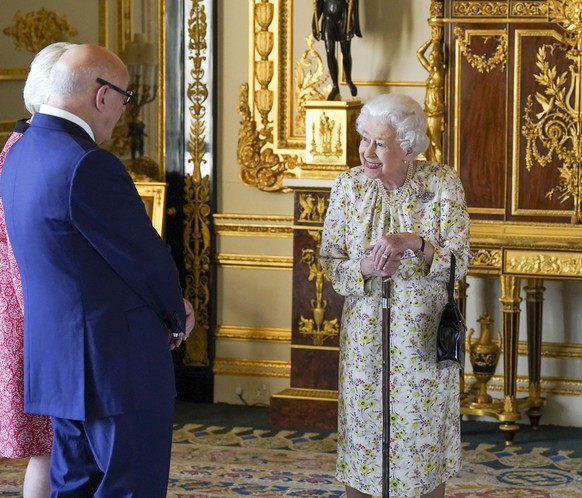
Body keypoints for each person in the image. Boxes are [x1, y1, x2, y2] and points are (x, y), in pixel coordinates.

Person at [1, 44, 195, 497]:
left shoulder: (18, 154)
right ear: (102, 96)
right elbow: (143, 256)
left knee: (72, 486)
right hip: (115, 365)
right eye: (125, 99)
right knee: (130, 487)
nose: (123, 113)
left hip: (57, 362)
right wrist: (176, 310)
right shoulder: (88, 162)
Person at [319, 93, 471, 498]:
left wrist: (416, 243)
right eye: (364, 139)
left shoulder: (441, 184)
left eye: (379, 143)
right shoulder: (348, 187)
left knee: (420, 449)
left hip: (421, 345)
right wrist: (364, 270)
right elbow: (330, 260)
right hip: (364, 342)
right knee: (363, 442)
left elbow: (461, 261)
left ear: (407, 148)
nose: (367, 152)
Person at [0, 41, 76, 498]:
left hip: (29, 317)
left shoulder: (17, 149)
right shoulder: (28, 154)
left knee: (49, 450)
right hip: (33, 320)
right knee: (50, 449)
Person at [312, 0, 361, 101]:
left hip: (343, 16)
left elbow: (353, 3)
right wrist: (314, 22)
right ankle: (335, 86)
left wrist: (352, 21)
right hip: (328, 17)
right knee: (329, 52)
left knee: (345, 51)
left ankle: (348, 79)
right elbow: (319, 3)